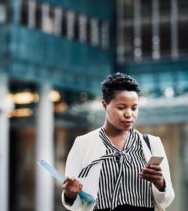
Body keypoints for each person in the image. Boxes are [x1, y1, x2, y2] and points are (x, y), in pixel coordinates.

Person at [62, 72, 175, 211]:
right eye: (121, 107)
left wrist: (161, 184)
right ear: (104, 104)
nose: (129, 114)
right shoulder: (82, 144)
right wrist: (70, 194)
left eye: (134, 108)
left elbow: (166, 200)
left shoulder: (152, 144)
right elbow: (76, 204)